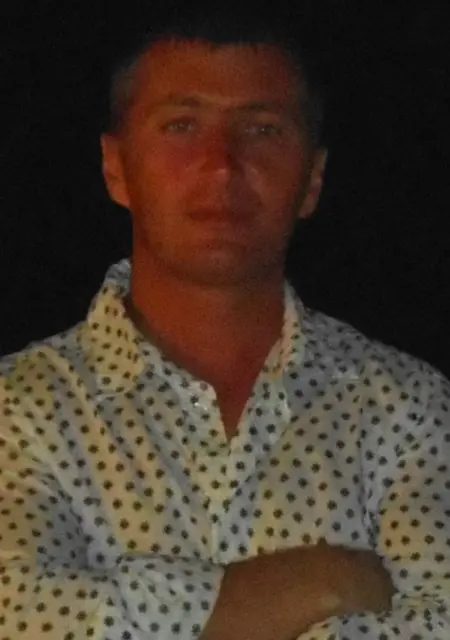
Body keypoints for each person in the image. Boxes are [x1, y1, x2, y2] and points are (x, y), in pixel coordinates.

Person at [1, 7, 450, 640]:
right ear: (115, 166)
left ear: (313, 178)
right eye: (181, 125)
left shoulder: (409, 408)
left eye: (263, 129)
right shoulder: (19, 408)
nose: (220, 163)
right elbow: (16, 612)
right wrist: (318, 581)